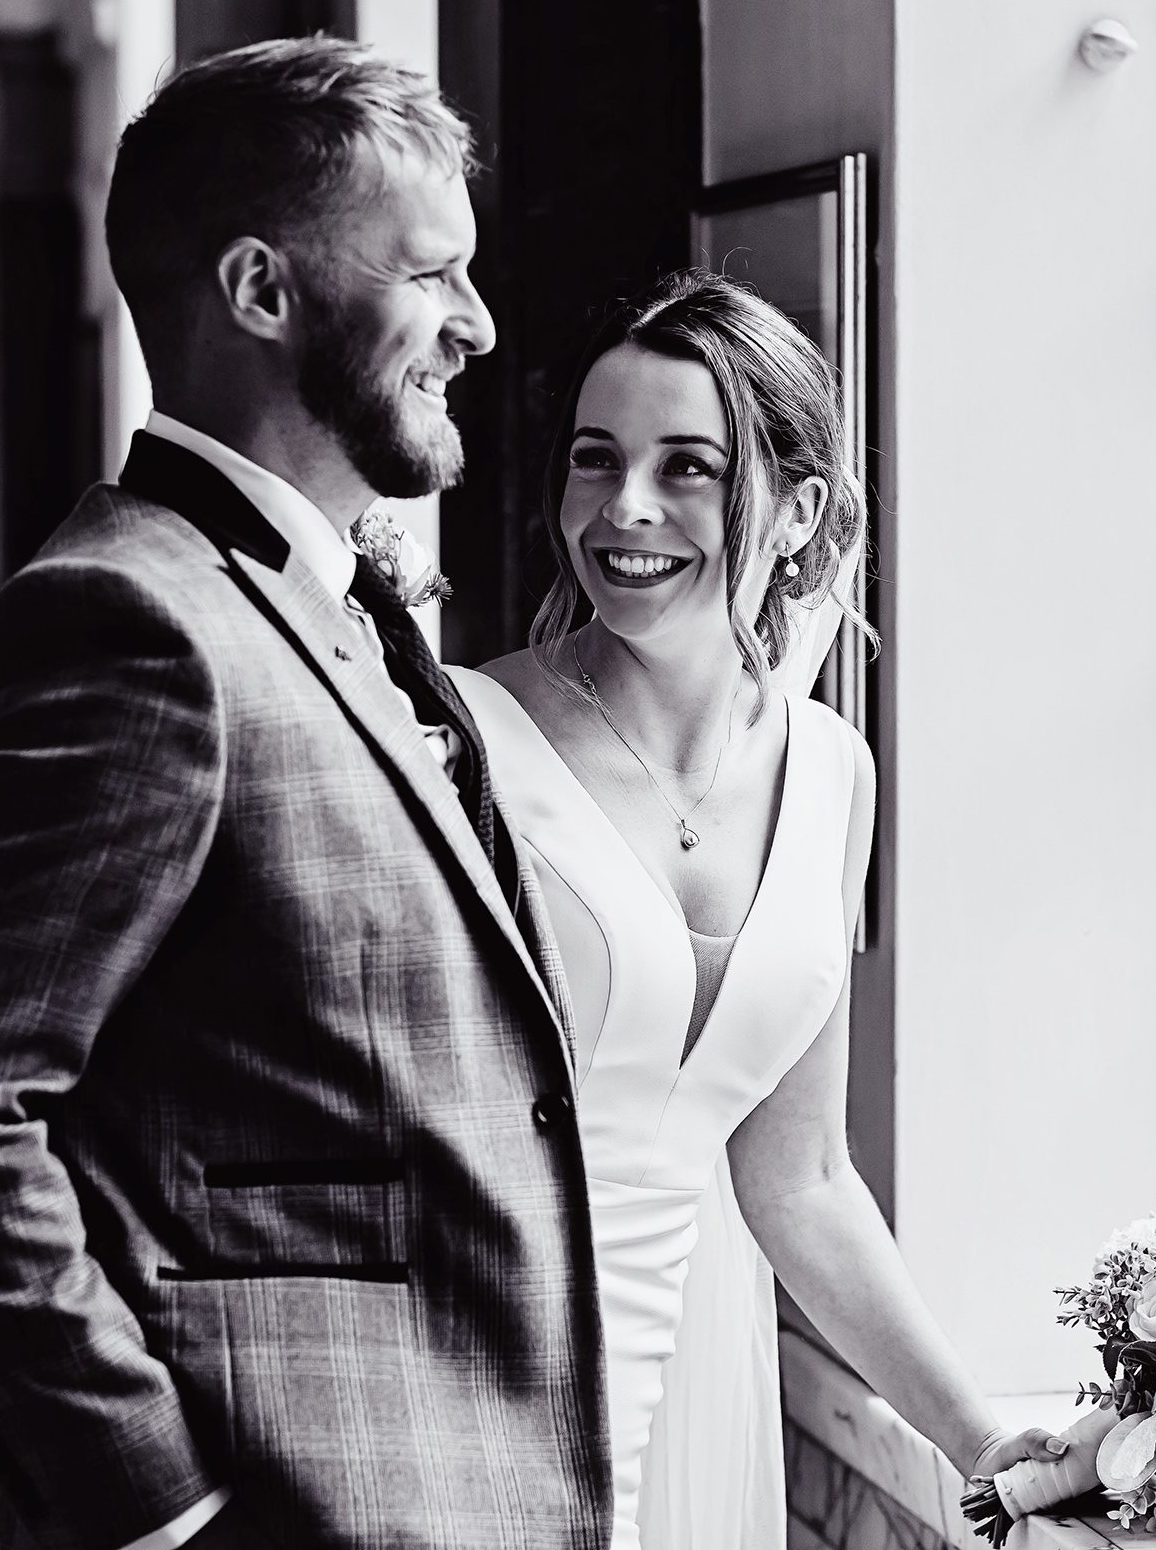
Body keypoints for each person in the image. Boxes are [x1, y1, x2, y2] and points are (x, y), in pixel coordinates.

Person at [0, 39, 609, 1550]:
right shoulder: (125, 625)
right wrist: (156, 1509)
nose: (480, 326)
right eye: (430, 276)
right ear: (262, 291)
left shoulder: (329, 600)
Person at [448, 271, 1060, 1549]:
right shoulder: (461, 742)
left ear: (800, 512)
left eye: (689, 469)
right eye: (595, 460)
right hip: (482, 1376)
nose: (624, 509)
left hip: (705, 1387)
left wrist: (985, 1443)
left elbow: (800, 1178)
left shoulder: (833, 772)